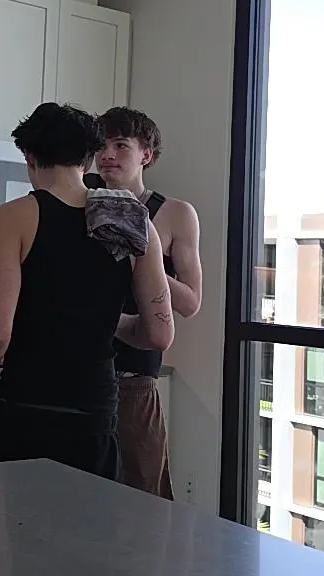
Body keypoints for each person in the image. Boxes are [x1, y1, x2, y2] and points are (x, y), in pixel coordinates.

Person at [0, 102, 175, 480]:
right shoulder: (135, 222)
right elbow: (159, 333)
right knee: (85, 518)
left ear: (30, 157)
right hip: (94, 413)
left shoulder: (13, 217)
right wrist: (100, 320)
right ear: (89, 159)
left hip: (25, 407)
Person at [92, 106, 203, 498]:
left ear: (146, 155)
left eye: (120, 145)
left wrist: (143, 257)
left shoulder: (174, 214)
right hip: (77, 374)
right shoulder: (81, 202)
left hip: (133, 381)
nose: (107, 155)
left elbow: (190, 302)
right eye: (101, 146)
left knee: (143, 503)